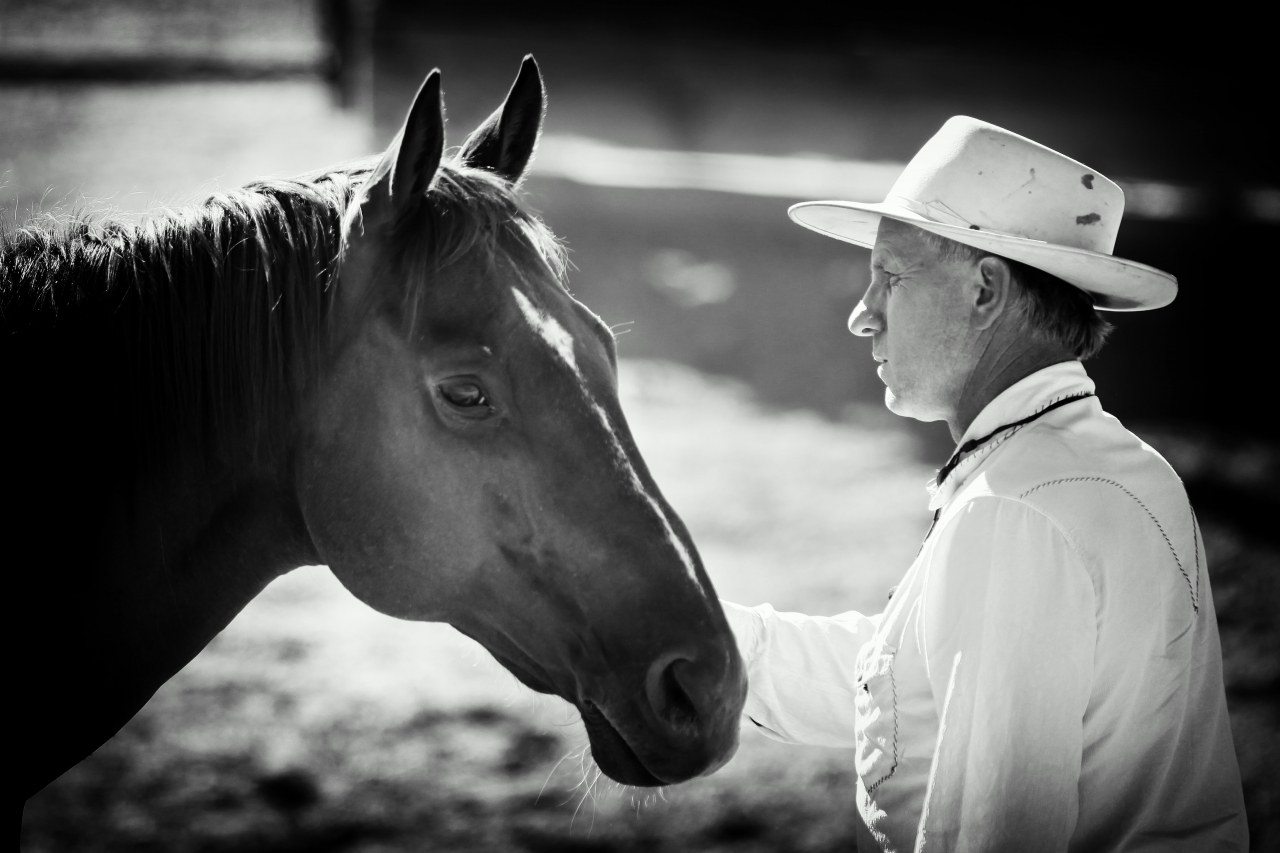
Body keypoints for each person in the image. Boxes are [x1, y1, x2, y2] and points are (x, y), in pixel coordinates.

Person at [720, 116, 1248, 851]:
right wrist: (706, 635)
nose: (861, 314)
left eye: (891, 277)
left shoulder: (1017, 509)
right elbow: (918, 681)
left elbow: (991, 833)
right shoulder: (1109, 465)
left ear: (985, 290)